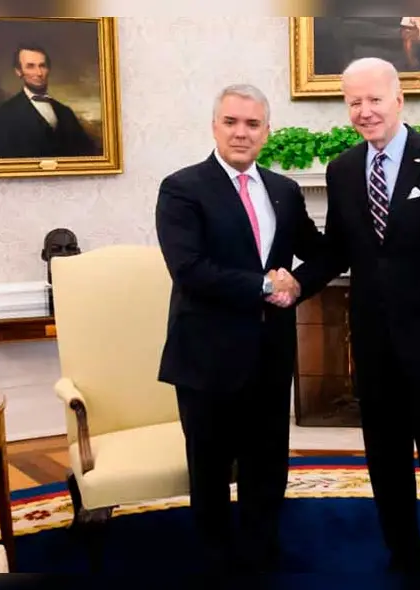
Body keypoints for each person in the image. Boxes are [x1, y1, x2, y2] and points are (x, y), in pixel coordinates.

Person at [292, 57, 420, 573]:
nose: (365, 111)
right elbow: (338, 251)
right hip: (373, 344)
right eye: (354, 102)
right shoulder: (342, 170)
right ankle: (404, 556)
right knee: (385, 460)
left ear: (399, 99)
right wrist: (295, 283)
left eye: (374, 99)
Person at [154, 83, 325, 573]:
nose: (241, 133)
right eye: (231, 122)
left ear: (267, 132)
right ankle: (216, 565)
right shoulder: (182, 188)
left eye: (252, 124)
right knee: (209, 471)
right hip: (206, 357)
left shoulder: (284, 191)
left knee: (267, 466)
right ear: (215, 126)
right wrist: (265, 285)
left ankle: (261, 556)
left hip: (270, 354)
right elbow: (189, 269)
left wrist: (298, 284)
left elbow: (319, 253)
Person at [0, 44, 98, 159]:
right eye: (30, 66)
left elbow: (88, 153)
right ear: (18, 71)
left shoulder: (65, 112)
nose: (39, 73)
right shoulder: (4, 114)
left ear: (48, 69)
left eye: (42, 66)